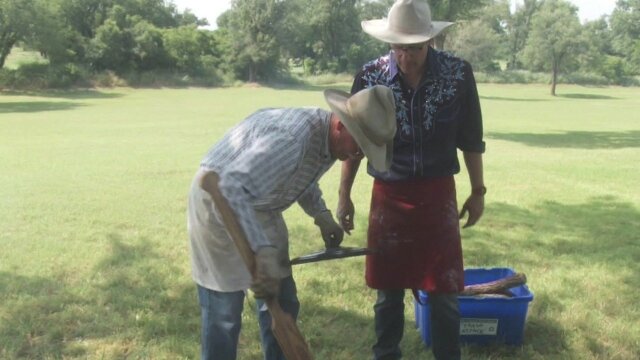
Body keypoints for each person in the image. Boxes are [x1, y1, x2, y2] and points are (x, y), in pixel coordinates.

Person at [187, 85, 396, 360]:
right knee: (224, 315)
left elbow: (296, 175)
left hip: (261, 204)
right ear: (340, 126)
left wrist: (321, 216)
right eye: (360, 144)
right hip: (217, 204)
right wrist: (261, 253)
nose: (359, 154)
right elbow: (231, 188)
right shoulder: (291, 140)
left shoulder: (328, 142)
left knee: (281, 301)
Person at [337, 1, 486, 359]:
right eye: (398, 48)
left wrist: (477, 190)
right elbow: (357, 142)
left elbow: (471, 138)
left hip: (438, 195)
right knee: (387, 293)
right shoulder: (370, 76)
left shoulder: (457, 74)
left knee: (445, 292)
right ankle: (386, 354)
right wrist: (344, 195)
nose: (406, 57)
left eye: (415, 48)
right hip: (388, 195)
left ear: (430, 41)